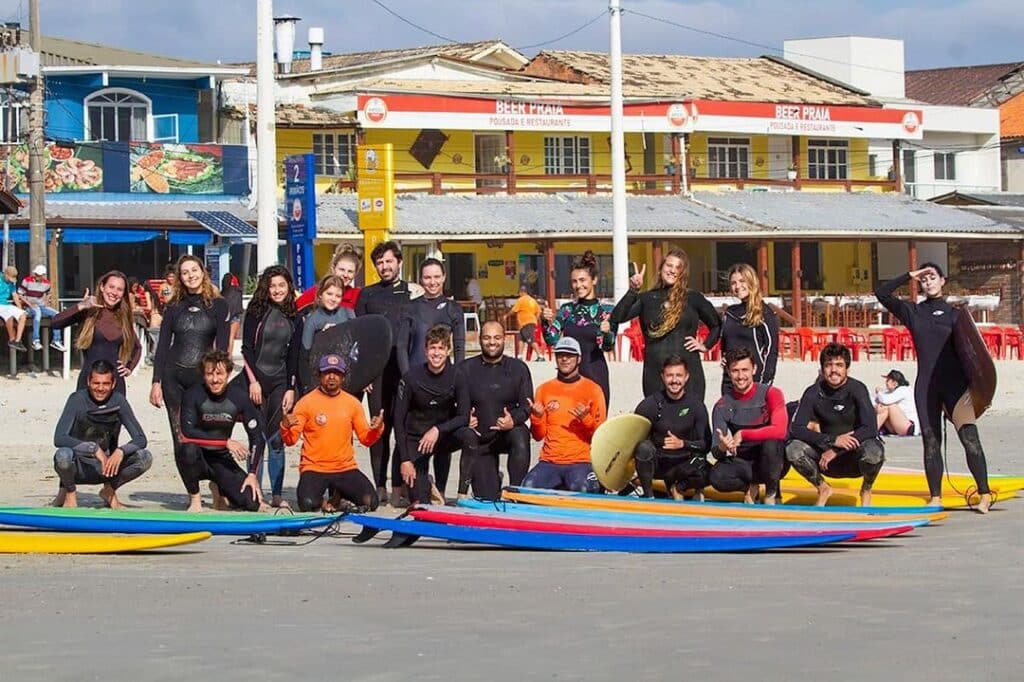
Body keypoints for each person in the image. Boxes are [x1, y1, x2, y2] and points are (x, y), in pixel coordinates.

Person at [876, 263, 992, 512]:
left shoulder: (955, 314)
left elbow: (975, 355)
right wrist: (909, 275)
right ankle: (935, 496)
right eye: (924, 279)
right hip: (927, 386)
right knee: (930, 442)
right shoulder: (913, 312)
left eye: (932, 277)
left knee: (970, 439)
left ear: (943, 280)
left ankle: (984, 493)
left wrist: (981, 390)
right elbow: (881, 293)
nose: (927, 282)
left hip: (956, 387)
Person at [149, 255, 229, 485]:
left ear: (203, 272)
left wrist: (219, 378)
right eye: (185, 272)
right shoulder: (174, 307)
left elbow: (221, 348)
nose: (190, 275)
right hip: (173, 377)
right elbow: (163, 346)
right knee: (180, 437)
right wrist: (156, 382)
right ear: (179, 278)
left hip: (201, 378)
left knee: (209, 434)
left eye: (194, 270)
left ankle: (216, 488)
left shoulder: (218, 305)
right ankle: (191, 491)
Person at [611, 248, 721, 402]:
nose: (672, 271)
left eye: (678, 267)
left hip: (689, 372)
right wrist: (633, 290)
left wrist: (705, 345)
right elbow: (617, 317)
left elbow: (716, 325)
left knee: (691, 420)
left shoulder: (693, 298)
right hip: (655, 373)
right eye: (669, 265)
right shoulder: (647, 299)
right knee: (658, 420)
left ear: (683, 273)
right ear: (661, 267)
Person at [281, 353, 384, 512]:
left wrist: (377, 429)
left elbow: (366, 439)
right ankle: (326, 502)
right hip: (314, 468)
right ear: (319, 375)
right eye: (327, 372)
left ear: (343, 377)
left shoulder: (352, 403)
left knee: (371, 502)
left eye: (336, 373)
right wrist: (285, 426)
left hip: (344, 468)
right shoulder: (305, 403)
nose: (331, 377)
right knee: (307, 504)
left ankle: (338, 495)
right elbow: (290, 440)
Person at [786, 343, 885, 506]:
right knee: (793, 449)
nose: (834, 370)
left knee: (874, 451)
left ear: (847, 369)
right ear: (822, 368)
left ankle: (866, 489)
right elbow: (796, 429)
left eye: (839, 365)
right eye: (828, 365)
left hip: (856, 458)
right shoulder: (813, 392)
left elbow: (870, 427)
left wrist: (836, 449)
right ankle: (822, 487)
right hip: (826, 462)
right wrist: (832, 440)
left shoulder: (857, 389)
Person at [355, 240, 415, 506]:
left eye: (389, 261)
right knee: (379, 429)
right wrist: (363, 374)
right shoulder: (367, 295)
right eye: (379, 262)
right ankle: (379, 485)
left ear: (399, 262)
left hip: (403, 370)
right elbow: (358, 338)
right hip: (376, 373)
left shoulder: (411, 293)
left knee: (402, 426)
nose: (384, 266)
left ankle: (398, 487)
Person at [236, 265, 299, 508]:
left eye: (281, 285)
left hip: (280, 381)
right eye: (272, 286)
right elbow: (246, 350)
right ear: (266, 288)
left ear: (288, 287)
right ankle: (255, 492)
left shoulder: (294, 315)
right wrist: (252, 381)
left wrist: (291, 388)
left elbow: (293, 354)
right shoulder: (255, 311)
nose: (277, 290)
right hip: (255, 379)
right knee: (257, 437)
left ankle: (277, 494)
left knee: (275, 439)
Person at [51, 360, 152, 509]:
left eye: (105, 384)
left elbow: (141, 439)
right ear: (88, 382)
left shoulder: (118, 401)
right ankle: (70, 493)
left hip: (106, 468)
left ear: (113, 384)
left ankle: (109, 490)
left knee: (144, 457)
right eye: (96, 383)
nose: (100, 388)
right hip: (79, 467)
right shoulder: (77, 399)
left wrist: (121, 451)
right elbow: (59, 438)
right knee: (62, 456)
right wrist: (93, 448)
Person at [178, 350, 268, 512]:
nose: (214, 379)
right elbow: (187, 432)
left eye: (219, 374)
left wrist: (252, 474)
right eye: (209, 374)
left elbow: (257, 438)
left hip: (221, 459)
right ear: (203, 375)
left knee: (251, 503)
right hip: (197, 458)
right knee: (187, 449)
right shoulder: (193, 394)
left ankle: (218, 488)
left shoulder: (239, 397)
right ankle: (195, 499)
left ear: (228, 373)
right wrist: (225, 442)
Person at [454, 320, 534, 501]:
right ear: (480, 340)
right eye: (487, 338)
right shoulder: (465, 369)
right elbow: (452, 402)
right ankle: (493, 480)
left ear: (504, 339)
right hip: (480, 439)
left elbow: (527, 406)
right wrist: (464, 417)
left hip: (508, 434)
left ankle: (515, 491)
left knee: (521, 434)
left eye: (497, 338)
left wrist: (512, 420)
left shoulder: (518, 368)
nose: (492, 342)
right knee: (488, 498)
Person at [395, 325, 472, 505]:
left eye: (441, 348)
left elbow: (464, 416)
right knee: (420, 503)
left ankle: (462, 494)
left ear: (448, 350)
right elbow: (398, 420)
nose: (436, 353)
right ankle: (426, 485)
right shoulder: (411, 377)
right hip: (417, 440)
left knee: (470, 436)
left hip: (442, 436)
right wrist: (405, 460)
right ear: (425, 350)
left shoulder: (457, 376)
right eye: (432, 348)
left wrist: (438, 429)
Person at [522, 337, 606, 493]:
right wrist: (537, 417)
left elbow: (600, 437)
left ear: (579, 358)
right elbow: (538, 436)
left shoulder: (593, 390)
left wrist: (585, 420)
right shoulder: (544, 389)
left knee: (582, 489)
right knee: (528, 489)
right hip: (549, 461)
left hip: (581, 461)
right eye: (560, 355)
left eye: (570, 355)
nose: (565, 359)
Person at [708, 347, 788, 504]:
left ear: (754, 369)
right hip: (745, 465)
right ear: (728, 372)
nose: (740, 376)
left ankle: (772, 493)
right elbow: (716, 452)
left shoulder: (771, 393)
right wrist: (723, 447)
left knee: (771, 444)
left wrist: (743, 434)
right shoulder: (722, 405)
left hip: (773, 461)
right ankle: (751, 486)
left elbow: (780, 431)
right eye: (735, 371)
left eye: (745, 370)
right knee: (716, 476)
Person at [541, 250, 615, 405]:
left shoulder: (606, 311)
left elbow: (607, 346)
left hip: (596, 374)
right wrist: (545, 321)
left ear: (594, 280)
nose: (578, 285)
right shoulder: (567, 310)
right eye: (574, 281)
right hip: (569, 376)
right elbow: (551, 339)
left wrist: (607, 332)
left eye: (583, 280)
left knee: (595, 426)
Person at [633, 355, 711, 499]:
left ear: (686, 377)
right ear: (662, 377)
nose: (674, 380)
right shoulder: (650, 404)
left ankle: (680, 488)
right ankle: (649, 496)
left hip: (684, 465)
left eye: (679, 375)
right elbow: (632, 439)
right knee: (644, 447)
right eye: (670, 375)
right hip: (659, 464)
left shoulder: (696, 406)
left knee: (713, 473)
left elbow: (706, 444)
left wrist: (682, 444)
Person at [52, 270, 140, 394]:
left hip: (115, 384)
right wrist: (81, 305)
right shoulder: (89, 312)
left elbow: (137, 347)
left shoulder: (123, 318)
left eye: (120, 289)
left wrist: (129, 368)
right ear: (102, 287)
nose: (114, 292)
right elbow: (55, 323)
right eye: (111, 287)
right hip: (88, 380)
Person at [397, 257, 466, 376]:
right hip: (416, 374)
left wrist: (458, 376)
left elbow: (459, 347)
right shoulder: (410, 308)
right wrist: (406, 376)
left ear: (444, 277)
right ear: (421, 279)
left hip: (444, 376)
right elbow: (401, 347)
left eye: (437, 277)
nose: (433, 282)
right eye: (427, 277)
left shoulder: (454, 308)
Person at [290, 274, 355, 396]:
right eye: (329, 294)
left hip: (345, 376)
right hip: (321, 378)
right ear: (320, 294)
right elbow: (305, 356)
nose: (333, 299)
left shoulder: (348, 314)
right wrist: (307, 387)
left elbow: (357, 347)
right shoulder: (313, 320)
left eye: (338, 295)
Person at [718, 263, 778, 394]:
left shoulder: (765, 314)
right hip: (730, 381)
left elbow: (771, 352)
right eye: (733, 283)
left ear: (752, 282)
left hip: (754, 380)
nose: (738, 286)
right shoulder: (729, 313)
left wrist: (764, 383)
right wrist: (724, 357)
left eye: (742, 281)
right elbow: (725, 343)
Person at [294, 242, 362, 311]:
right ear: (333, 268)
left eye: (350, 271)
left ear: (355, 273)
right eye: (342, 269)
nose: (345, 275)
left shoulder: (357, 295)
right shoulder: (317, 291)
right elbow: (294, 311)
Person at [18, 264, 64, 351]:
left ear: (44, 275)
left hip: (41, 305)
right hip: (29, 306)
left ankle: (56, 340)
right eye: (37, 275)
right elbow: (20, 294)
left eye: (40, 275)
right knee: (37, 312)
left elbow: (48, 293)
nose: (38, 277)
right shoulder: (26, 280)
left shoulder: (47, 283)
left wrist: (46, 302)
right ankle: (35, 340)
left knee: (57, 314)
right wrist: (30, 304)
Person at [875, 369, 919, 437]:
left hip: (909, 426)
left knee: (890, 406)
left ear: (895, 383)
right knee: (881, 406)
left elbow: (885, 400)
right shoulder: (891, 392)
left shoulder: (904, 389)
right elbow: (877, 400)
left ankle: (872, 430)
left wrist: (879, 392)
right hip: (897, 426)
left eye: (888, 380)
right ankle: (874, 429)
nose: (886, 383)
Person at [506, 285, 545, 361]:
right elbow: (539, 311)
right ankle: (519, 356)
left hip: (526, 323)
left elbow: (514, 310)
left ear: (521, 292)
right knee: (521, 339)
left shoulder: (521, 300)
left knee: (531, 339)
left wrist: (506, 315)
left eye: (519, 292)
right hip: (528, 323)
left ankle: (540, 355)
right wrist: (535, 319)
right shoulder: (532, 300)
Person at [0, 265, 28, 352]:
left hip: (6, 304)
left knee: (23, 314)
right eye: (10, 278)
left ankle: (17, 340)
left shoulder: (12, 282)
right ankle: (11, 338)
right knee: (9, 316)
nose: (11, 281)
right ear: (6, 275)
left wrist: (20, 308)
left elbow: (14, 295)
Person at [220, 273, 244, 354]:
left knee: (223, 338)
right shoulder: (238, 291)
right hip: (235, 316)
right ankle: (229, 358)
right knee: (231, 338)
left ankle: (223, 356)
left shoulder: (223, 293)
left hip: (224, 317)